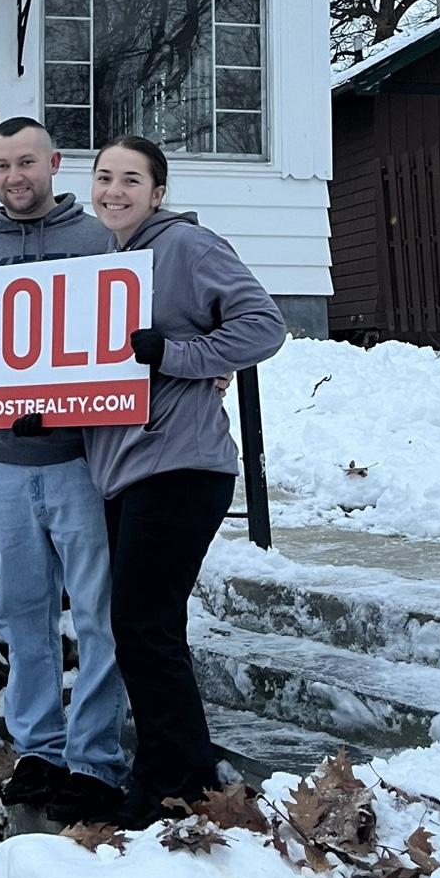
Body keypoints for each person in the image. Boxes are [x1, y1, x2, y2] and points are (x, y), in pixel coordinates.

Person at [0, 117, 128, 820]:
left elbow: (134, 328)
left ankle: (96, 759)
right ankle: (39, 750)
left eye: (28, 163)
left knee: (100, 616)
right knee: (24, 616)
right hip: (4, 471)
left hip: (81, 463)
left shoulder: (98, 242)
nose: (16, 176)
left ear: (55, 164)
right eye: (2, 165)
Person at [83, 135, 286, 828]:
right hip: (125, 472)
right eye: (104, 177)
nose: (114, 190)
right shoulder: (104, 266)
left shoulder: (187, 248)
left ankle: (178, 784)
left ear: (158, 192)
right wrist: (38, 415)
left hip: (181, 467)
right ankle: (176, 775)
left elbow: (264, 326)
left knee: (143, 626)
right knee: (143, 628)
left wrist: (178, 353)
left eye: (131, 179)